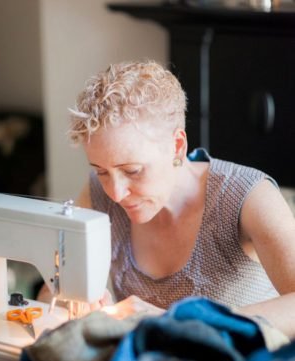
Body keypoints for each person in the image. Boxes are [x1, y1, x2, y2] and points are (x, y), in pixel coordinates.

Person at [46, 60, 295, 338]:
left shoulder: (248, 197)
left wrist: (177, 321)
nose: (115, 193)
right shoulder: (97, 195)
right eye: (102, 171)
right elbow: (50, 294)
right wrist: (77, 300)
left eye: (133, 171)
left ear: (177, 146)